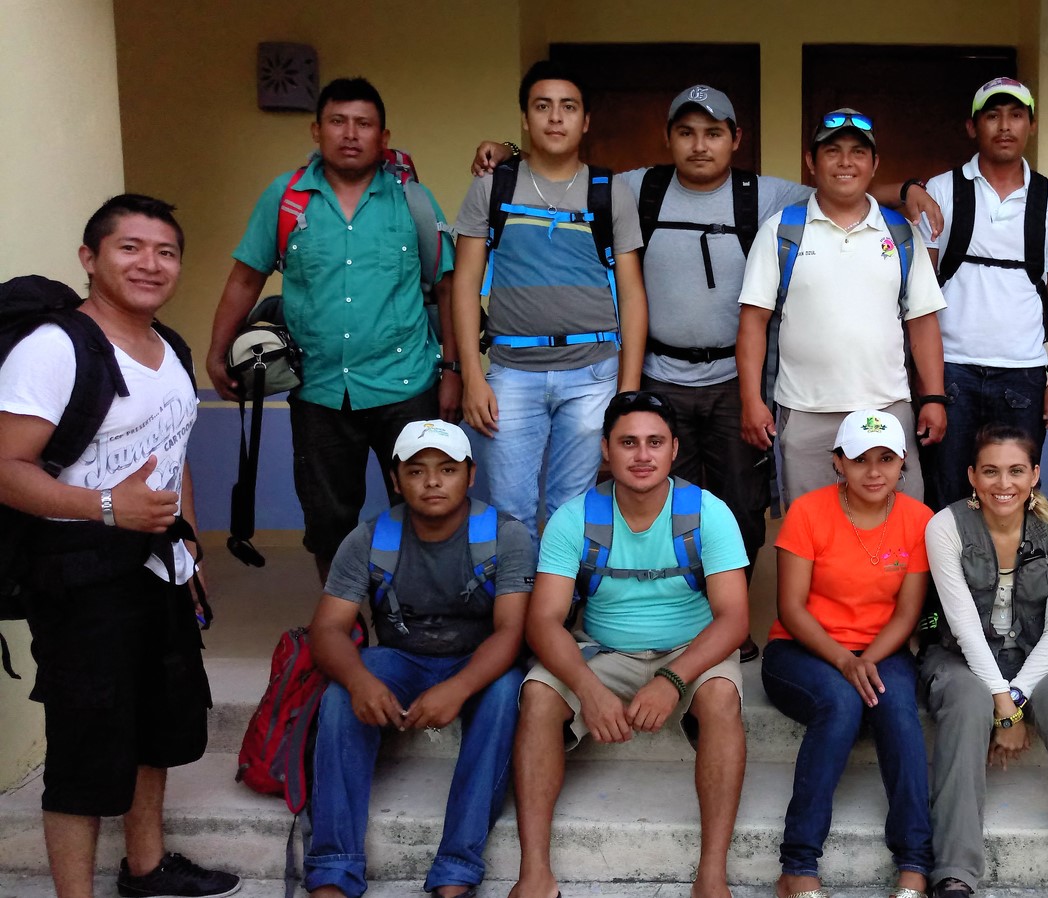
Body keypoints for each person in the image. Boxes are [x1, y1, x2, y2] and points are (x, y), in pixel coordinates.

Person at [468, 86, 943, 663]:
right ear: (667, 139)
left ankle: (731, 623)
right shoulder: (637, 187)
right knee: (661, 500)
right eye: (687, 132)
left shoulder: (762, 195)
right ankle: (670, 621)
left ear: (735, 139)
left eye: (714, 133)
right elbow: (565, 170)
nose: (700, 145)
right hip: (660, 376)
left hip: (732, 382)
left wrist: (910, 189)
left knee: (741, 507)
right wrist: (510, 152)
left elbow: (843, 185)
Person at [0, 195, 239, 898]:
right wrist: (108, 506)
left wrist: (189, 552)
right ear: (90, 258)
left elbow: (173, 453)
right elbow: (5, 467)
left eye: (166, 252)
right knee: (86, 744)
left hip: (158, 567)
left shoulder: (170, 347)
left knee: (158, 722)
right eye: (129, 247)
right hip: (77, 575)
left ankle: (146, 868)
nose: (150, 264)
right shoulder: (55, 348)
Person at [209, 77, 458, 584]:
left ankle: (413, 612)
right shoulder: (286, 198)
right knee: (327, 522)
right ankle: (343, 615)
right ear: (316, 130)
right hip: (319, 389)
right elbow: (245, 277)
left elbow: (447, 288)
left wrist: (453, 370)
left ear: (383, 137)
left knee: (425, 510)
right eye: (338, 122)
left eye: (363, 124)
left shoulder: (412, 201)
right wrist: (217, 351)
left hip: (408, 384)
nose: (350, 134)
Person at [513, 390, 749, 898]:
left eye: (655, 442)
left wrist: (672, 679)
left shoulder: (709, 513)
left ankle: (711, 875)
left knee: (722, 697)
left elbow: (733, 621)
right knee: (537, 695)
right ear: (605, 449)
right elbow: (544, 622)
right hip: (603, 652)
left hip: (690, 652)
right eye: (628, 442)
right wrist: (588, 689)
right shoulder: (574, 517)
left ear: (674, 449)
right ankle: (534, 873)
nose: (642, 455)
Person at [304, 419, 531, 898]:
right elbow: (326, 630)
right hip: (400, 659)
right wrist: (361, 682)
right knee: (340, 696)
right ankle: (333, 868)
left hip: (478, 662)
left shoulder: (506, 536)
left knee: (507, 692)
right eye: (416, 470)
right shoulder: (368, 538)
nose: (432, 482)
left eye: (447, 469)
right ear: (395, 479)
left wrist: (458, 688)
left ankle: (456, 867)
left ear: (470, 475)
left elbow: (512, 632)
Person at [920, 424, 1048, 898]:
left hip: (1039, 655)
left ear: (1034, 475)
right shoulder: (945, 526)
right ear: (972, 475)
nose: (1003, 483)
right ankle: (954, 871)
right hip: (960, 657)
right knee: (967, 704)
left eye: (1016, 471)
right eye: (990, 471)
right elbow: (965, 629)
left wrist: (1013, 699)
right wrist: (1004, 707)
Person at [451, 59, 647, 553]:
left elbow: (631, 294)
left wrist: (627, 391)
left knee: (570, 509)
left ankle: (560, 599)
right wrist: (472, 375)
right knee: (511, 511)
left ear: (586, 120)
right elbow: (465, 285)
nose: (555, 117)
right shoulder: (492, 188)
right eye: (543, 106)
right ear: (525, 117)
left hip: (593, 375)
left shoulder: (611, 192)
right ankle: (518, 600)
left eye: (568, 107)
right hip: (511, 374)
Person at [760, 409, 935, 898]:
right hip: (803, 648)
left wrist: (866, 659)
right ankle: (798, 866)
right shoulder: (808, 512)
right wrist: (844, 660)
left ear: (903, 463)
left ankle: (915, 864)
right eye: (860, 460)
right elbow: (791, 609)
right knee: (840, 703)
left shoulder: (918, 519)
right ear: (838, 462)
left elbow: (907, 614)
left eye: (886, 459)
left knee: (896, 707)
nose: (874, 472)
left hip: (882, 648)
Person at [737, 109, 948, 506]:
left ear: (874, 164)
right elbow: (753, 322)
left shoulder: (901, 233)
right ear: (811, 161)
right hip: (805, 412)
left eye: (858, 152)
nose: (845, 162)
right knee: (811, 526)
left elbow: (922, 322)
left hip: (887, 409)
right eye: (832, 151)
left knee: (896, 525)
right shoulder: (782, 231)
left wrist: (934, 398)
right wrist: (752, 400)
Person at [921, 77, 1048, 510]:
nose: (1005, 126)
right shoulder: (942, 189)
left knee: (1013, 494)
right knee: (948, 490)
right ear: (973, 127)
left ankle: (1009, 559)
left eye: (1016, 115)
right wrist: (926, 381)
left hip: (1023, 371)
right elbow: (920, 289)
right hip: (952, 368)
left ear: (1032, 125)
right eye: (992, 115)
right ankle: (950, 561)